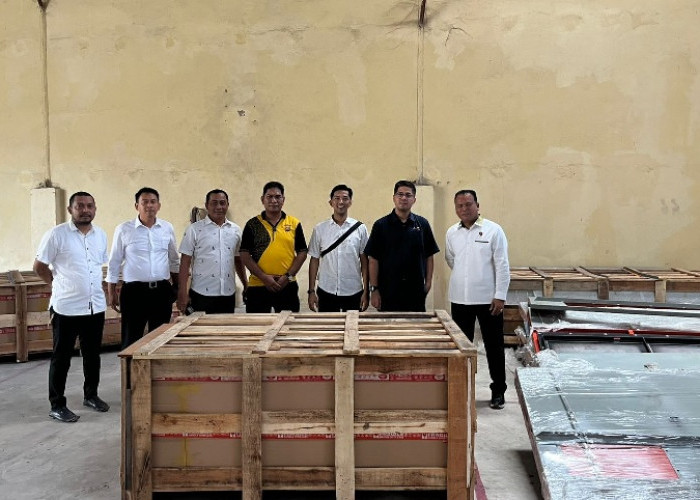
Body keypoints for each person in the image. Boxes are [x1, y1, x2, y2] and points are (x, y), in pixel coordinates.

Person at [33, 192, 110, 422]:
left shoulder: (100, 235)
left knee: (92, 355)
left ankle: (91, 395)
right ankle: (57, 404)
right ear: (70, 210)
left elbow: (97, 266)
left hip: (94, 307)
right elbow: (39, 266)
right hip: (66, 308)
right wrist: (56, 284)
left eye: (89, 206)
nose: (85, 210)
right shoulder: (56, 234)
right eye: (80, 206)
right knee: (62, 358)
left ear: (95, 208)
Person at [445, 189, 510, 410]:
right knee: (462, 348)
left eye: (468, 204)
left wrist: (500, 295)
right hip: (460, 299)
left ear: (477, 205)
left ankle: (498, 391)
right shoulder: (452, 232)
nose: (464, 209)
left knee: (494, 346)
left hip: (488, 300)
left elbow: (502, 265)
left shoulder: (493, 230)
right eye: (459, 205)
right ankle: (463, 390)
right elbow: (451, 260)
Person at [107, 187, 179, 349]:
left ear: (158, 206)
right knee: (131, 340)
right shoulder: (124, 229)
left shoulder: (167, 228)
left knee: (160, 340)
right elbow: (114, 262)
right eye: (144, 202)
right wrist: (111, 292)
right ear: (136, 206)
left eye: (153, 202)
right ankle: (129, 366)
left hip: (161, 292)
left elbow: (174, 260)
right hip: (134, 293)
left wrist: (178, 287)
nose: (149, 205)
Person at [364, 180, 439, 312]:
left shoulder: (422, 224)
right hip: (388, 292)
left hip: (415, 292)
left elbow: (429, 256)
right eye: (400, 194)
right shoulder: (381, 225)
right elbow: (373, 259)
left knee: (415, 325)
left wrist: (428, 283)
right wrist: (374, 289)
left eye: (408, 195)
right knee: (389, 325)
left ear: (414, 200)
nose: (404, 198)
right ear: (394, 198)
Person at [239, 181, 308, 312]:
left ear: (283, 200)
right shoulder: (252, 224)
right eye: (269, 197)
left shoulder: (294, 223)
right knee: (257, 324)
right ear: (262, 199)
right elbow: (244, 254)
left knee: (289, 323)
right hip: (258, 285)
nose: (274, 200)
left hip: (287, 285)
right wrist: (264, 277)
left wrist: (287, 277)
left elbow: (302, 252)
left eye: (277, 197)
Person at [177, 189, 247, 314]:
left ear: (227, 205)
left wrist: (245, 285)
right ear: (207, 205)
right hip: (201, 294)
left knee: (225, 326)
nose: (219, 207)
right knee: (199, 327)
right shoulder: (194, 230)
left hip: (228, 294)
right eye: (214, 203)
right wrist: (182, 292)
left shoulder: (235, 230)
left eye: (222, 203)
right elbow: (185, 263)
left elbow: (238, 260)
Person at [307, 184, 369, 312]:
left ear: (350, 202)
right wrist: (311, 291)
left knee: (353, 324)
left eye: (345, 198)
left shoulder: (360, 229)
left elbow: (364, 262)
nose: (341, 202)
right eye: (337, 198)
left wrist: (366, 291)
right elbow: (314, 260)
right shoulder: (320, 229)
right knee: (328, 324)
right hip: (326, 290)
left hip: (353, 291)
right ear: (331, 202)